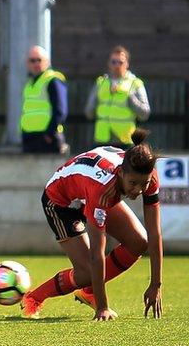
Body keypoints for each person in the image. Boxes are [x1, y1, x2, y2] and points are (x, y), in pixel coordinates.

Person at [20, 129, 162, 321]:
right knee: (87, 272)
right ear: (121, 173)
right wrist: (102, 307)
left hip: (86, 192)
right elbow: (97, 253)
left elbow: (155, 234)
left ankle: (88, 291)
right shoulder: (103, 189)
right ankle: (34, 297)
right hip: (60, 202)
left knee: (139, 242)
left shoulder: (149, 176)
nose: (138, 190)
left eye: (143, 184)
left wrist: (156, 284)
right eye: (133, 183)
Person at [85, 46, 151, 149]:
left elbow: (145, 113)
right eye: (113, 62)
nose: (117, 65)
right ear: (109, 64)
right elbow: (89, 113)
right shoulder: (101, 83)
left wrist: (129, 97)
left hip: (125, 140)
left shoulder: (135, 83)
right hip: (102, 140)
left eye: (121, 62)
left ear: (127, 64)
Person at [20, 45, 68, 154]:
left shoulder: (53, 80)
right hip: (30, 139)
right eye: (32, 60)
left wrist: (49, 134)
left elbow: (60, 110)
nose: (36, 63)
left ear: (47, 62)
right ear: (28, 63)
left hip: (47, 140)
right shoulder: (29, 84)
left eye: (39, 60)